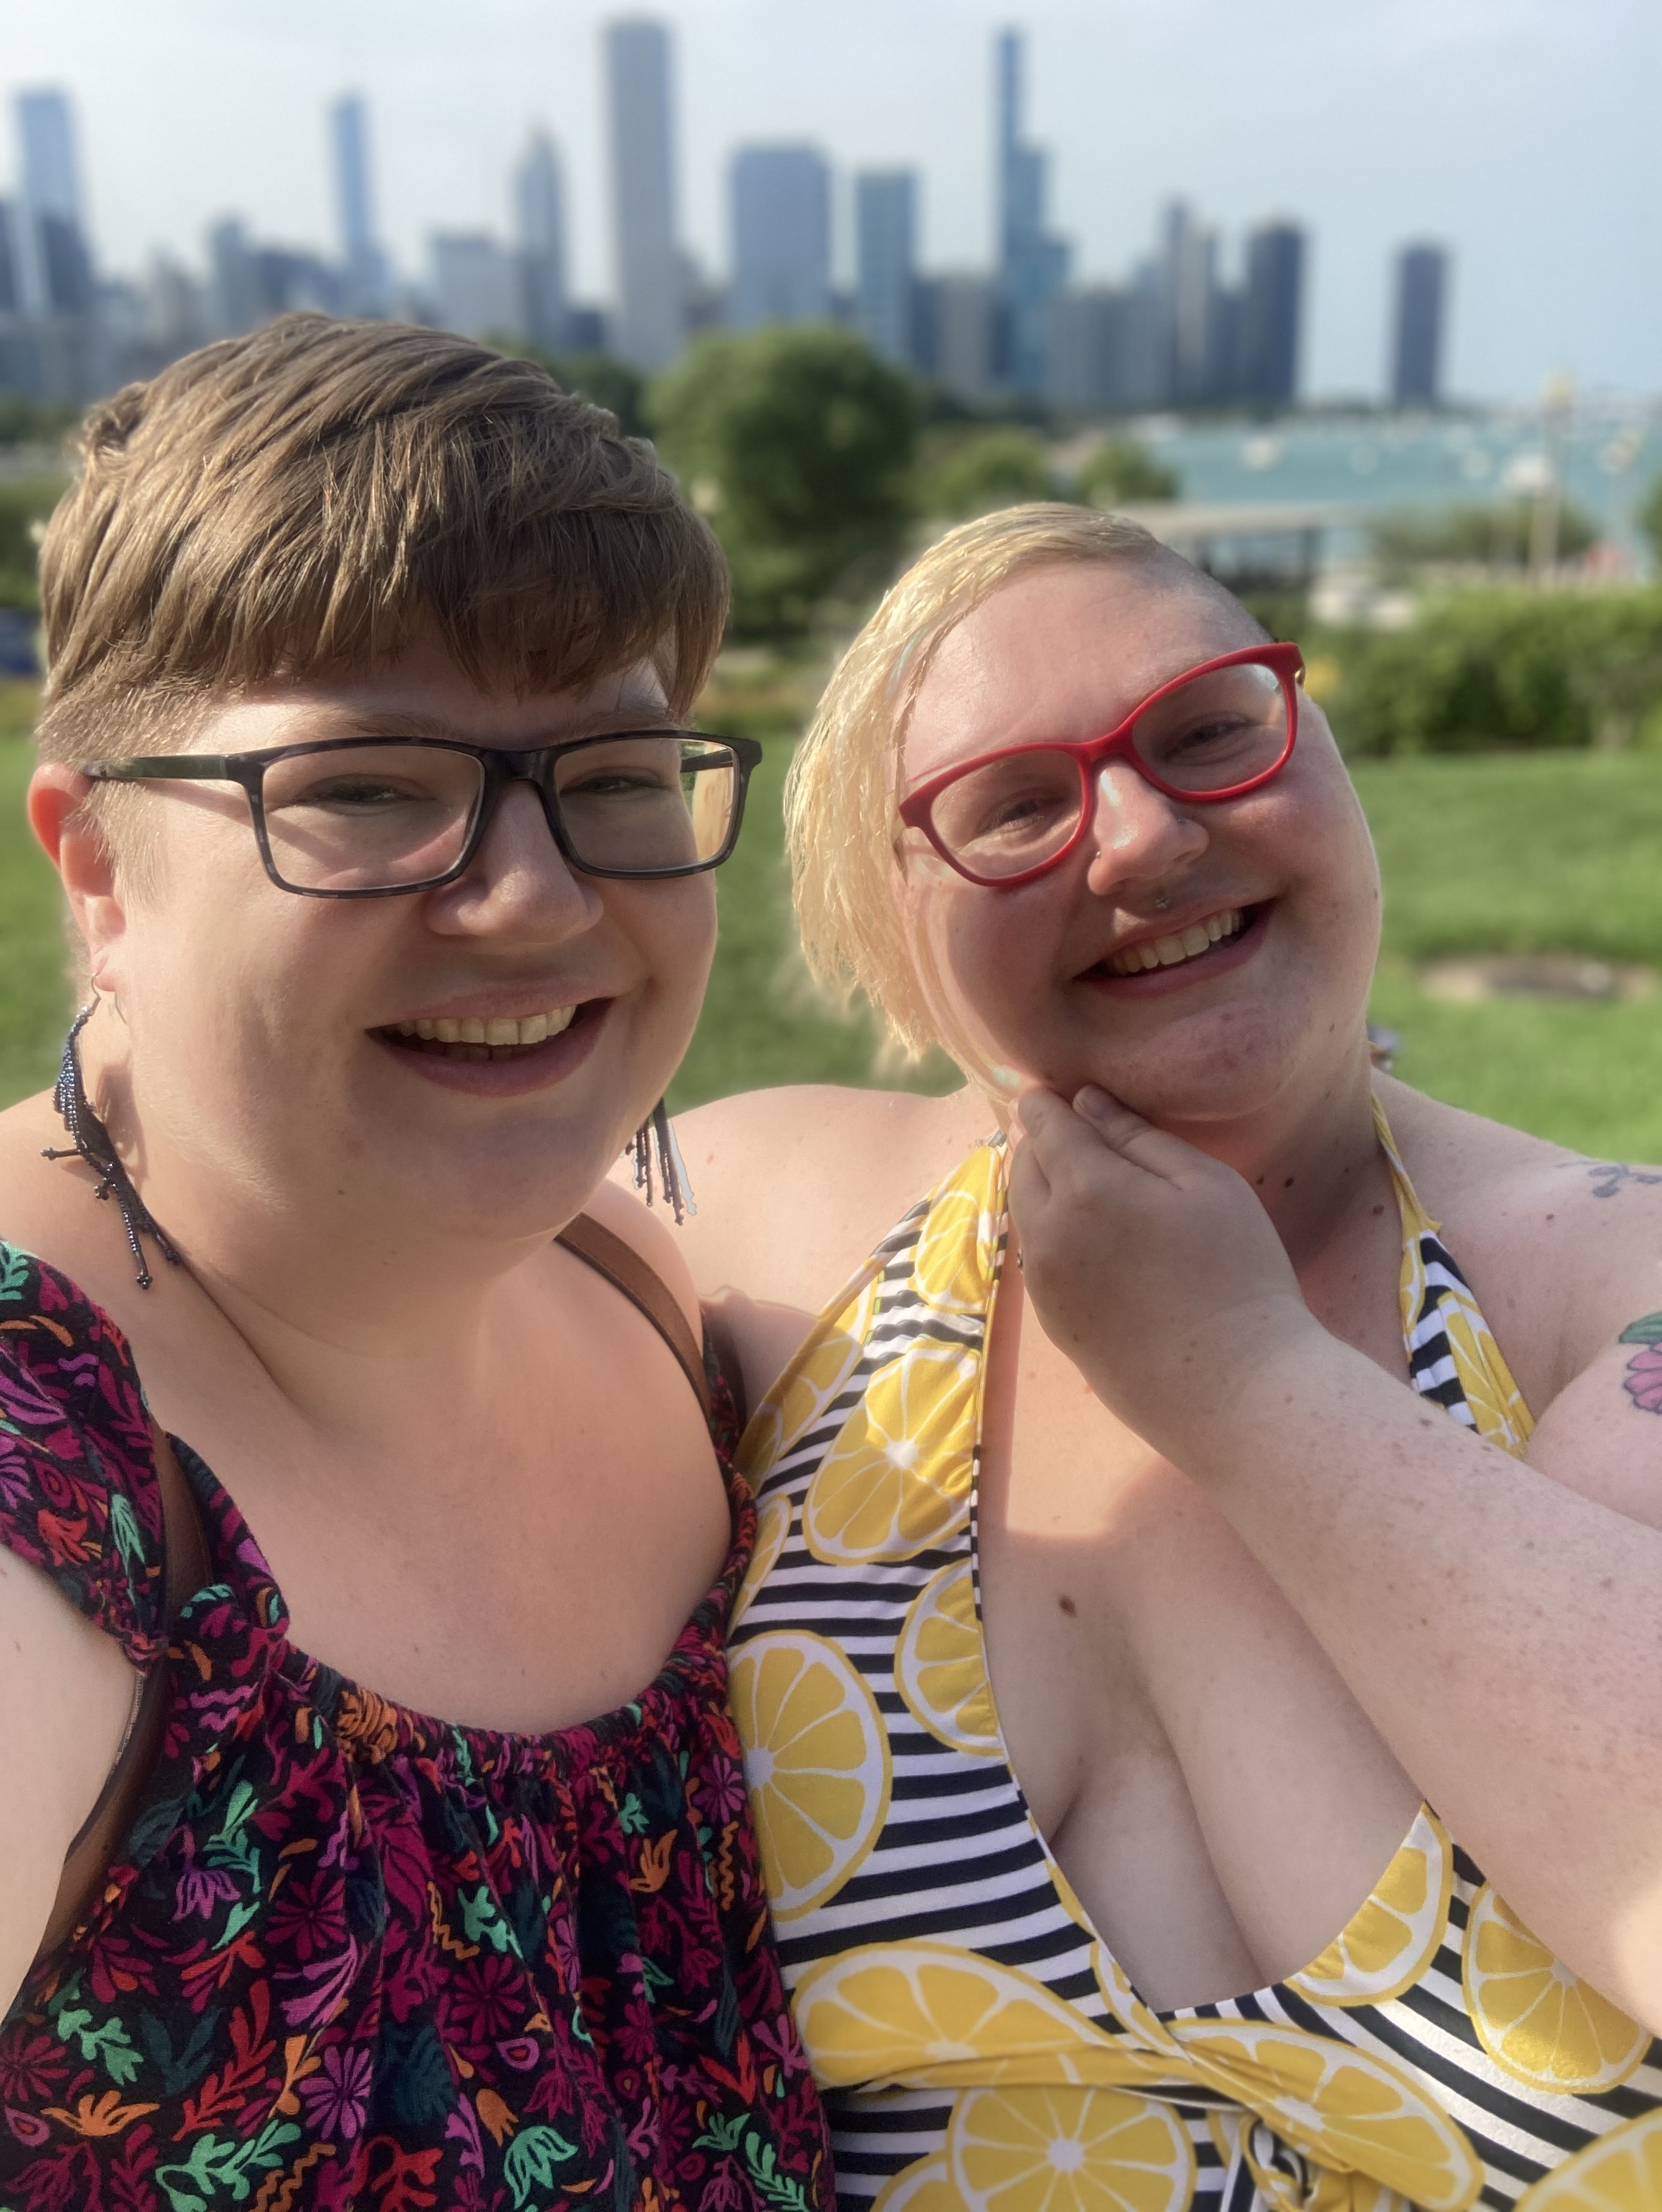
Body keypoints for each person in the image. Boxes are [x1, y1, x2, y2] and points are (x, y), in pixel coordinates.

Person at [675, 504, 1662, 2209]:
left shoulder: (1606, 1281)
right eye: (1011, 806)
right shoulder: (752, 1233)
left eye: (1208, 730)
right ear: (891, 923)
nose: (1135, 836)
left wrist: (1241, 1379)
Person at [0, 315, 830, 2210]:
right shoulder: (46, 1483)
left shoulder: (630, 1282)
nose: (534, 895)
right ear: (102, 871)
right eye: (368, 788)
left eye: (615, 771)